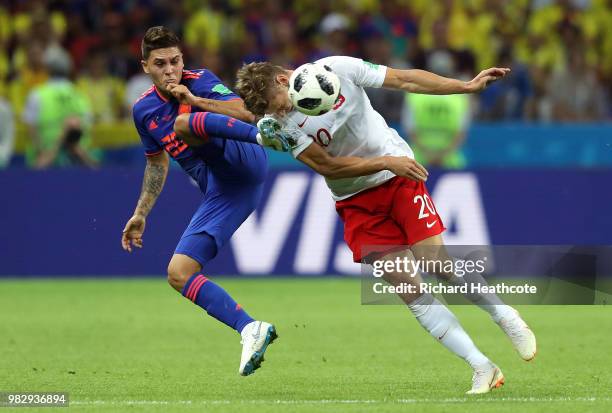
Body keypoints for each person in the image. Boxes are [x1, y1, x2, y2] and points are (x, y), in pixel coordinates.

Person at [235, 56, 536, 394]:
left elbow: (405, 80)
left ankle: (504, 316)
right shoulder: (281, 125)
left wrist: (464, 87)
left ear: (281, 81)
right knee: (409, 289)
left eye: (277, 106)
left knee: (436, 263)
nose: (278, 114)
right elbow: (329, 167)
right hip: (356, 201)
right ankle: (481, 365)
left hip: (397, 176)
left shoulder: (340, 68)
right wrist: (382, 161)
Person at [22, 48, 98, 169]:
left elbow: (31, 129)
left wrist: (41, 152)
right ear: (69, 70)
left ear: (47, 70)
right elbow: (88, 125)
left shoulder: (37, 95)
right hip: (77, 163)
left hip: (46, 162)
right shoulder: (80, 95)